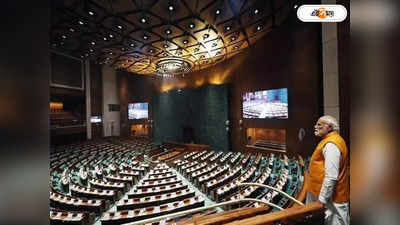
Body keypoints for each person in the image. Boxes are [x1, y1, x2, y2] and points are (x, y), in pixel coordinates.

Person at [307, 115, 350, 225]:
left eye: (319, 125)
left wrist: (322, 200)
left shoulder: (331, 144)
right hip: (328, 198)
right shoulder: (330, 140)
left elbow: (331, 176)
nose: (315, 126)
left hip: (332, 199)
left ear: (329, 127)